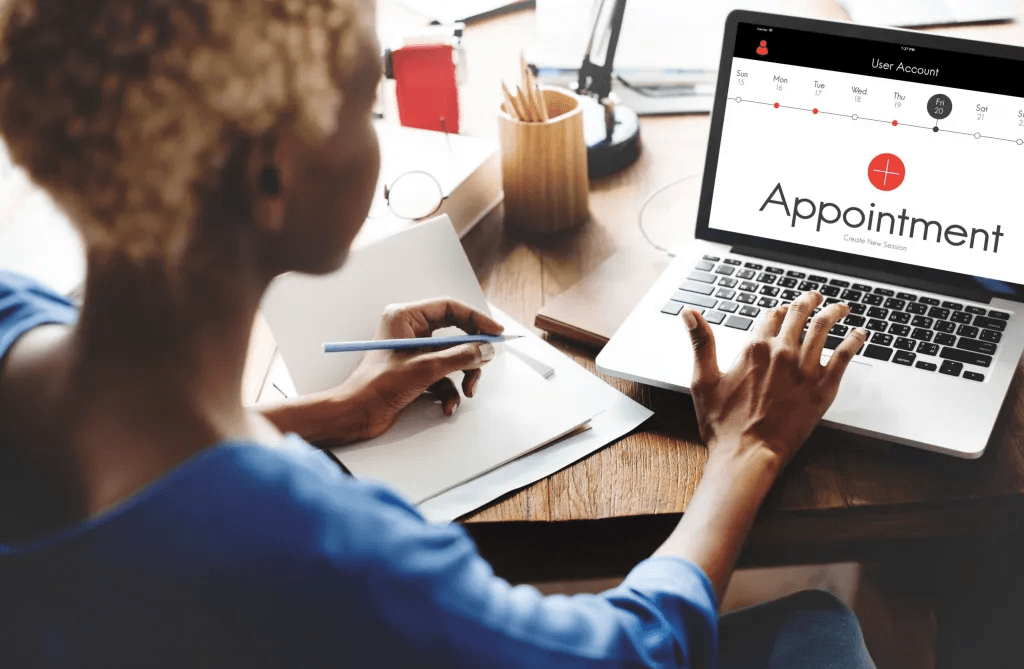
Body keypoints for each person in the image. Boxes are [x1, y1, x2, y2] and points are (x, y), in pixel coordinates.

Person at [0, 0, 875, 666]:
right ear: (273, 171)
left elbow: (134, 473)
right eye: (365, 104)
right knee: (819, 627)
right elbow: (621, 651)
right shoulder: (327, 553)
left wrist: (332, 412)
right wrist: (747, 450)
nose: (380, 132)